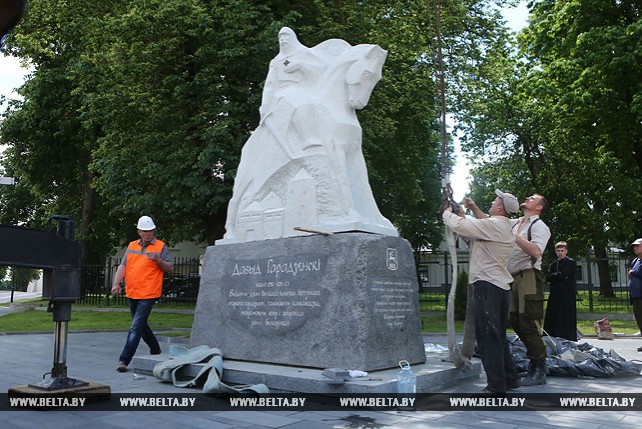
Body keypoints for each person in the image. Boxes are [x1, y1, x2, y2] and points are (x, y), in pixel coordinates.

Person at [441, 189, 520, 394]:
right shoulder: (500, 226)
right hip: (499, 288)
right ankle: (509, 379)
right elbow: (473, 227)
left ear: (500, 207)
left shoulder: (495, 224)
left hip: (488, 287)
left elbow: (462, 226)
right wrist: (460, 212)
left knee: (487, 338)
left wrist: (447, 213)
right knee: (498, 337)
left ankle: (496, 386)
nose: (492, 203)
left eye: (494, 201)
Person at [111, 215, 173, 372]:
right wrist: (116, 284)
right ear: (139, 231)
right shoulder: (132, 246)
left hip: (149, 293)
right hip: (132, 292)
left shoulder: (160, 247)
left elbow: (170, 268)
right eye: (145, 231)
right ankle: (155, 349)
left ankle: (123, 360)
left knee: (135, 327)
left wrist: (158, 260)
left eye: (151, 231)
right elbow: (123, 266)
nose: (148, 234)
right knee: (141, 325)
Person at [507, 193, 551, 386]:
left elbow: (536, 251)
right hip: (512, 277)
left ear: (539, 207)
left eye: (533, 198)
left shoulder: (539, 226)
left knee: (529, 321)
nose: (527, 197)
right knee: (515, 320)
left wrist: (514, 237)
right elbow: (491, 222)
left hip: (529, 276)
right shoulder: (515, 223)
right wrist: (471, 208)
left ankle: (539, 368)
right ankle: (534, 363)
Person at [543, 241, 578, 341]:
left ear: (566, 251)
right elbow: (548, 277)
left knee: (567, 316)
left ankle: (568, 337)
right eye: (558, 251)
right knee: (554, 316)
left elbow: (564, 274)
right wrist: (558, 276)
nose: (560, 253)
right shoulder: (553, 264)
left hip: (567, 294)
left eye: (562, 251)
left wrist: (556, 276)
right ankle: (552, 336)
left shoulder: (571, 262)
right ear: (555, 252)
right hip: (555, 294)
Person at [628, 238, 642, 351]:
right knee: (639, 319)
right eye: (634, 246)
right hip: (636, 295)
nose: (635, 248)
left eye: (637, 246)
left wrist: (633, 272)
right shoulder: (635, 261)